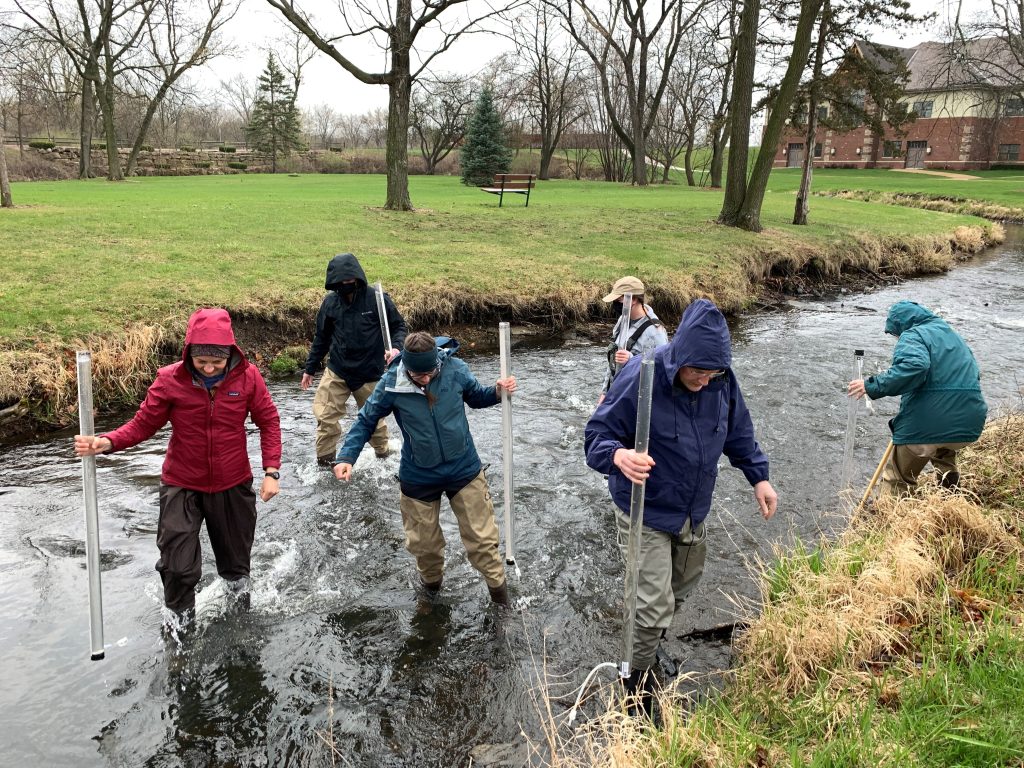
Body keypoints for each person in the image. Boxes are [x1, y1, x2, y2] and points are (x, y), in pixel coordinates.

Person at [584, 298, 777, 716]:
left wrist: (758, 476)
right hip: (645, 509)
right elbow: (596, 435)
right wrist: (618, 456)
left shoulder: (722, 381)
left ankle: (648, 646)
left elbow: (738, 431)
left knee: (678, 593)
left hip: (692, 511)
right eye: (697, 371)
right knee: (652, 606)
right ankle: (635, 689)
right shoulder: (641, 374)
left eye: (713, 372)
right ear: (681, 357)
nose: (705, 381)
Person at [74, 308, 282, 626]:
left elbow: (268, 421)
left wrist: (271, 471)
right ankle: (180, 630)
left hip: (232, 484)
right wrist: (107, 442)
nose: (210, 368)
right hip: (181, 483)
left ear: (230, 354)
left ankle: (240, 622)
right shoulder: (170, 380)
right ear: (189, 355)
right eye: (202, 362)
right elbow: (143, 425)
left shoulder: (248, 377)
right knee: (178, 568)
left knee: (235, 568)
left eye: (217, 361)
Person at [333, 332, 517, 606]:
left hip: (463, 468)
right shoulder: (392, 382)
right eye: (419, 376)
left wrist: (497, 391)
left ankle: (502, 602)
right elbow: (366, 419)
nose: (427, 380)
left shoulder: (454, 369)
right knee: (425, 548)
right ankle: (430, 598)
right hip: (419, 475)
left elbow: (476, 396)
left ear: (437, 362)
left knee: (482, 543)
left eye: (430, 372)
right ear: (406, 366)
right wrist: (347, 456)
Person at [848, 300, 987, 496]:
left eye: (895, 333)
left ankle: (888, 522)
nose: (897, 338)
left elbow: (915, 367)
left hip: (931, 422)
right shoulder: (950, 334)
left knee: (898, 477)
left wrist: (871, 385)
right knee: (943, 449)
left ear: (901, 324)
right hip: (969, 422)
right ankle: (950, 499)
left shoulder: (912, 334)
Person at [301, 253, 407, 465]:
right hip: (338, 370)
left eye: (350, 281)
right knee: (325, 417)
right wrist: (310, 368)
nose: (346, 285)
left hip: (369, 373)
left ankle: (383, 458)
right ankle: (324, 464)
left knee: (374, 423)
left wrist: (395, 348)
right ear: (334, 283)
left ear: (358, 278)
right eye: (342, 282)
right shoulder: (330, 303)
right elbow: (321, 337)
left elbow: (399, 327)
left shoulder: (377, 299)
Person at [599, 276, 668, 403]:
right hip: (616, 394)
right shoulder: (622, 320)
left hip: (636, 401)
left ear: (634, 299)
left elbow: (663, 371)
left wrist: (632, 360)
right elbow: (613, 362)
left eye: (619, 299)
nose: (615, 303)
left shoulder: (655, 331)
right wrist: (605, 393)